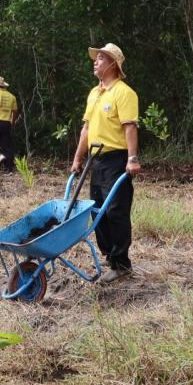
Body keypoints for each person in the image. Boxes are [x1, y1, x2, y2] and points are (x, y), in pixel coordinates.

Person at [69, 44, 140, 283]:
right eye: (96, 58)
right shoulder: (94, 94)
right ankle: (110, 258)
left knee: (115, 212)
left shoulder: (124, 92)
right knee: (96, 211)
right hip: (95, 161)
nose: (95, 62)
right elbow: (86, 129)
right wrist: (78, 157)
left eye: (100, 58)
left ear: (112, 64)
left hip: (116, 159)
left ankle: (122, 264)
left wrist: (132, 158)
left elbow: (129, 127)